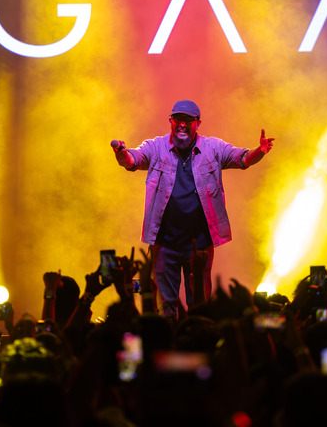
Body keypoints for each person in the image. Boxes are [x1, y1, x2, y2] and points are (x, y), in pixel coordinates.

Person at [112, 99, 274, 317]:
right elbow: (132, 160)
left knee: (199, 305)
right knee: (165, 307)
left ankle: (197, 334)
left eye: (188, 120)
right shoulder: (155, 147)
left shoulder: (213, 148)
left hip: (199, 244)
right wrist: (121, 153)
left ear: (198, 123)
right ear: (170, 121)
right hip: (164, 243)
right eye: (178, 119)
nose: (182, 124)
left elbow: (242, 158)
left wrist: (260, 151)